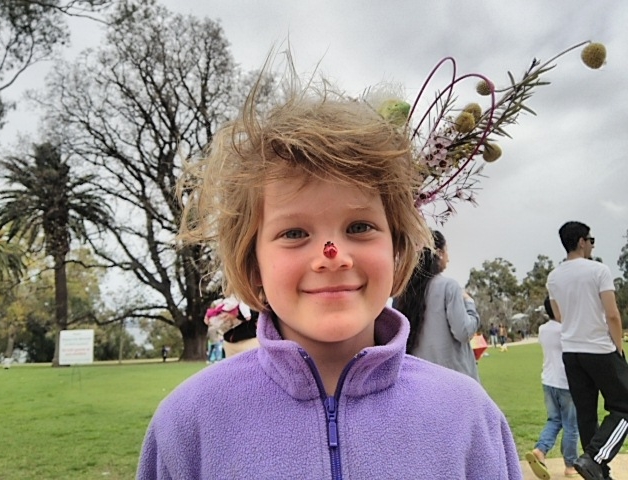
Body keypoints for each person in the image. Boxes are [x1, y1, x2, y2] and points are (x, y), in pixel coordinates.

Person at [137, 62, 522, 479]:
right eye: (294, 232)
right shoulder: (189, 423)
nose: (332, 255)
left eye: (359, 227)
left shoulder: (467, 416)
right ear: (253, 266)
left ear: (396, 250)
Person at [547, 221, 627, 480]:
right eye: (591, 239)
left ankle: (599, 473)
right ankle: (595, 458)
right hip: (599, 348)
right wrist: (619, 346)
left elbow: (559, 316)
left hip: (571, 352)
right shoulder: (598, 270)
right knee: (624, 405)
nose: (592, 244)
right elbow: (613, 315)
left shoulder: (554, 276)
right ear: (581, 241)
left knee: (586, 413)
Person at [394, 230, 481, 382]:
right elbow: (464, 332)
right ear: (439, 253)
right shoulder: (449, 287)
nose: (449, 258)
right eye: (447, 251)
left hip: (420, 383)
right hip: (455, 382)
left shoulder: (403, 294)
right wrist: (470, 304)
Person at [525, 296, 579, 479]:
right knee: (571, 426)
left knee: (554, 420)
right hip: (567, 383)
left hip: (548, 381)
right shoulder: (567, 330)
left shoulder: (543, 330)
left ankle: (541, 449)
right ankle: (570, 465)